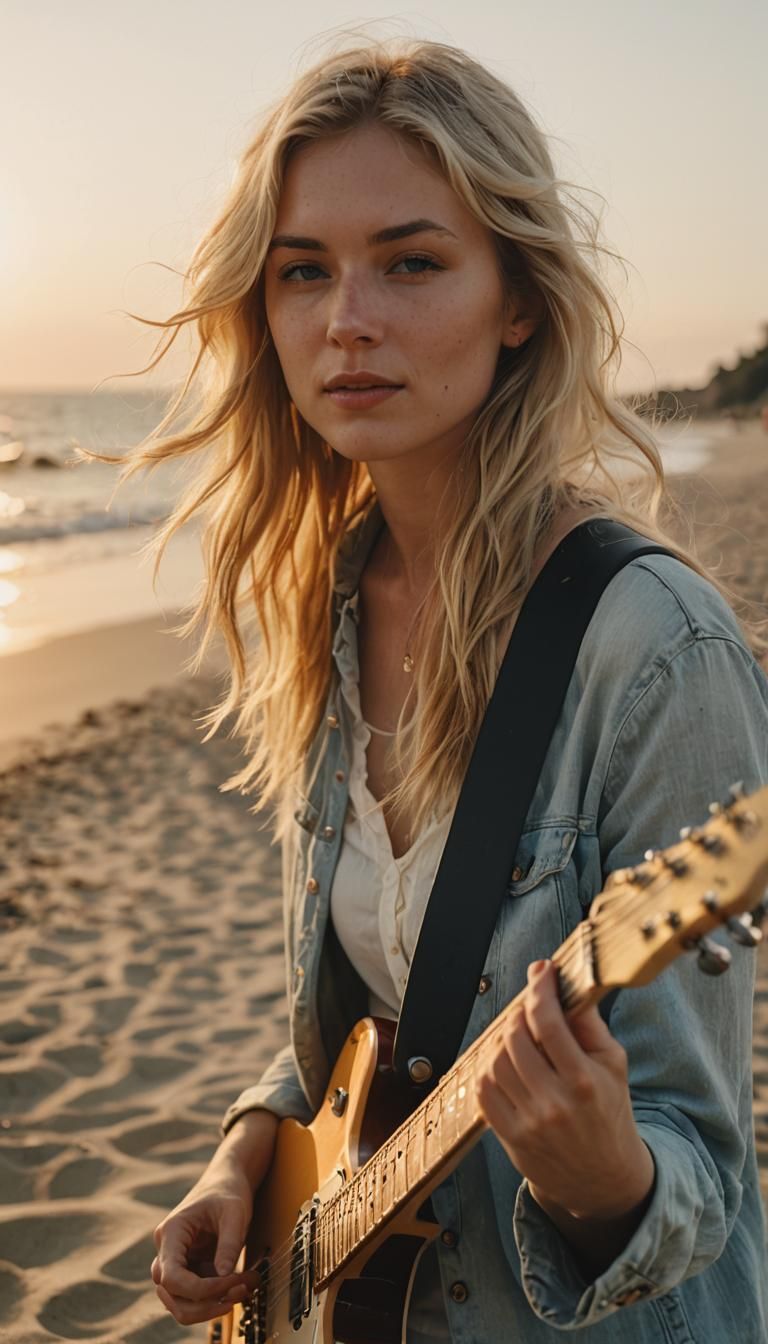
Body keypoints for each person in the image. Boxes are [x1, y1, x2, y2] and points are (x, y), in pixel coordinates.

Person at [93, 33, 768, 1340]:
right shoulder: (326, 606)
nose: (347, 319)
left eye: (412, 262)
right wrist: (248, 1146)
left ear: (518, 298)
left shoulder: (653, 649)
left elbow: (706, 1171)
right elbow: (374, 1023)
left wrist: (602, 1184)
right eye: (304, 272)